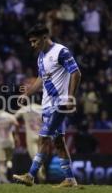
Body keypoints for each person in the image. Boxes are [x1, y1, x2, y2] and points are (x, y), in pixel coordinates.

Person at [13, 23, 81, 187]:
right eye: (31, 42)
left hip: (59, 104)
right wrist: (27, 94)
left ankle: (30, 175)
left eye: (35, 41)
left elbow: (76, 72)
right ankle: (70, 179)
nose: (32, 45)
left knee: (43, 138)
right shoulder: (41, 57)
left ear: (45, 37)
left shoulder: (61, 51)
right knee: (58, 142)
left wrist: (70, 98)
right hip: (47, 105)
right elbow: (41, 79)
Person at [15, 102, 46, 182]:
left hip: (31, 136)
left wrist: (16, 131)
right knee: (40, 157)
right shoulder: (42, 108)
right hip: (41, 135)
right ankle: (41, 173)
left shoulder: (25, 109)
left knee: (35, 158)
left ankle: (40, 176)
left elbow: (14, 117)